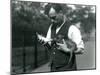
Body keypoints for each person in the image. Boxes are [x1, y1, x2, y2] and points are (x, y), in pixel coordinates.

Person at [37, 5, 84, 72]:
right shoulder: (51, 27)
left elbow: (81, 50)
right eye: (50, 18)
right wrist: (44, 43)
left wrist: (67, 50)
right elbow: (51, 47)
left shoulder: (72, 28)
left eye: (54, 17)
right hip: (54, 68)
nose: (52, 20)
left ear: (61, 13)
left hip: (68, 69)